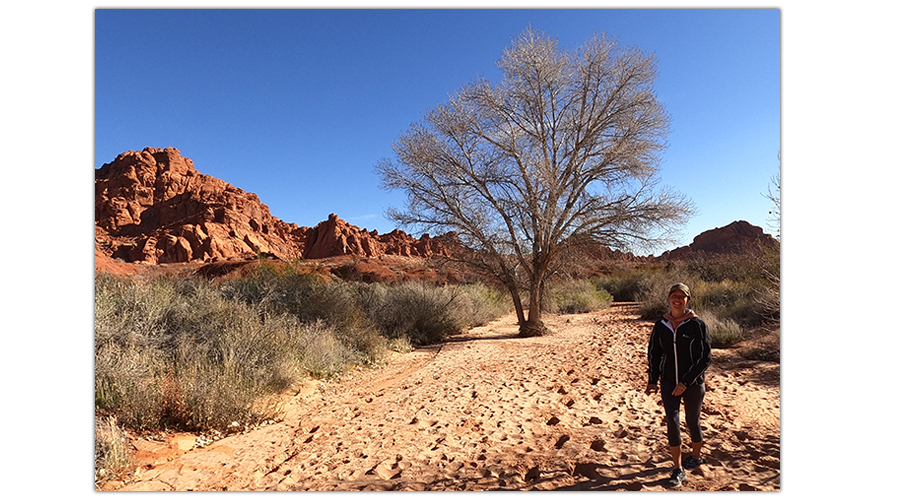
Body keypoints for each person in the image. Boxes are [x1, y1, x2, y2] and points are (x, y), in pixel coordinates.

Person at [645, 283, 712, 488]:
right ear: (669, 298)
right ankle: (678, 468)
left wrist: (685, 382)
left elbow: (705, 358)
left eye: (681, 296)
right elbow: (654, 354)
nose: (677, 299)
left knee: (693, 421)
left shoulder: (697, 325)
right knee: (672, 421)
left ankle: (696, 456)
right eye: (673, 295)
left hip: (692, 384)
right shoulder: (661, 325)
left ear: (687, 300)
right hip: (668, 382)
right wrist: (652, 380)